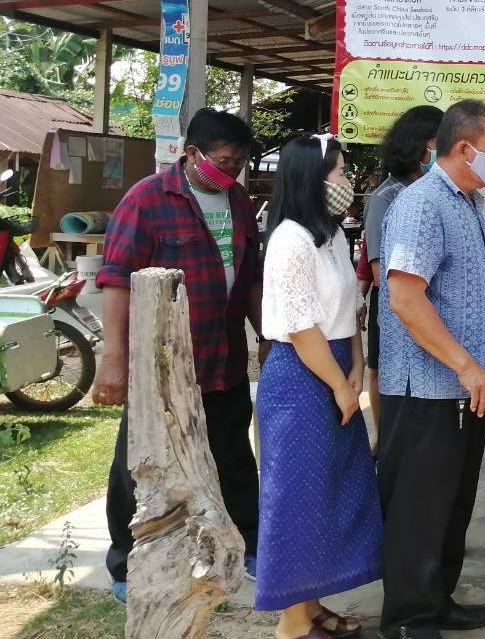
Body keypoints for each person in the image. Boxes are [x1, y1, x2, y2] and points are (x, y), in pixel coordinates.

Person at [94, 108, 263, 604]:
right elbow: (116, 280)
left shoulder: (238, 202)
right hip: (163, 365)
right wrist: (114, 358)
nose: (232, 173)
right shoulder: (147, 200)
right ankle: (127, 562)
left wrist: (267, 336)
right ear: (192, 154)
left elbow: (249, 278)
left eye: (239, 164)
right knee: (141, 462)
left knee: (233, 456)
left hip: (224, 356)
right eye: (224, 162)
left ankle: (246, 546)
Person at [378, 99, 485, 639]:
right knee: (419, 510)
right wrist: (467, 365)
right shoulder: (422, 205)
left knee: (452, 506)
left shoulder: (469, 203)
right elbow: (406, 298)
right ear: (465, 149)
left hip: (464, 389)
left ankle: (437, 601)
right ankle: (408, 619)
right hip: (428, 388)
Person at [255, 135, 382, 639]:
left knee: (329, 493)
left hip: (335, 369)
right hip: (300, 378)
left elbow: (348, 310)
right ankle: (291, 622)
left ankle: (312, 605)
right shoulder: (289, 240)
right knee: (296, 499)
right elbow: (302, 329)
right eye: (338, 172)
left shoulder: (330, 237)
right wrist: (340, 386)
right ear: (311, 177)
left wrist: (357, 365)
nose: (344, 181)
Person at [362, 105, 442, 437]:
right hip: (398, 307)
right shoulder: (387, 196)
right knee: (385, 375)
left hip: (434, 307)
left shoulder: (441, 190)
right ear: (419, 144)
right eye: (439, 142)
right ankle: (384, 441)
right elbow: (380, 273)